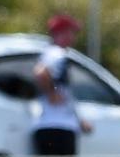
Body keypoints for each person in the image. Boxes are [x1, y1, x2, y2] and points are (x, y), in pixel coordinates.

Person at [32, 14, 93, 156]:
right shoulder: (56, 53)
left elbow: (65, 93)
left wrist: (80, 120)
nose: (73, 37)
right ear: (60, 33)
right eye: (71, 32)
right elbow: (40, 72)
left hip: (54, 126)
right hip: (57, 128)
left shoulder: (54, 53)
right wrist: (51, 92)